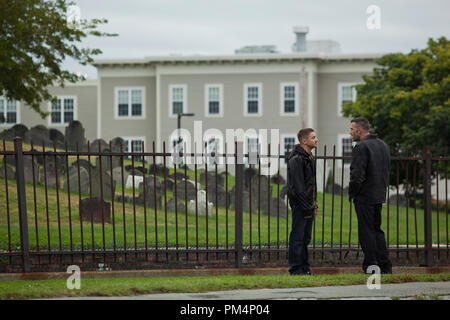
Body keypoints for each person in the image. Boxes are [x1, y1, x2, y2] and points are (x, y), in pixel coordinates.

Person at [348, 117, 392, 274]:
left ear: (359, 130)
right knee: (377, 230)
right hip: (379, 194)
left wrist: (353, 192)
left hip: (365, 196)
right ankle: (385, 265)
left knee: (366, 231)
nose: (350, 132)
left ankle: (371, 266)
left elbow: (357, 174)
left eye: (352, 129)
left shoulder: (361, 147)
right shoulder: (383, 145)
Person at [287, 128, 318, 275]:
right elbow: (298, 188)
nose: (316, 139)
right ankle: (296, 269)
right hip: (300, 206)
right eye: (313, 137)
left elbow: (310, 185)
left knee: (305, 239)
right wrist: (306, 206)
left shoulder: (309, 158)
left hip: (308, 205)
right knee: (297, 238)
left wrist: (314, 204)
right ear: (304, 141)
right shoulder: (296, 159)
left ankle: (305, 268)